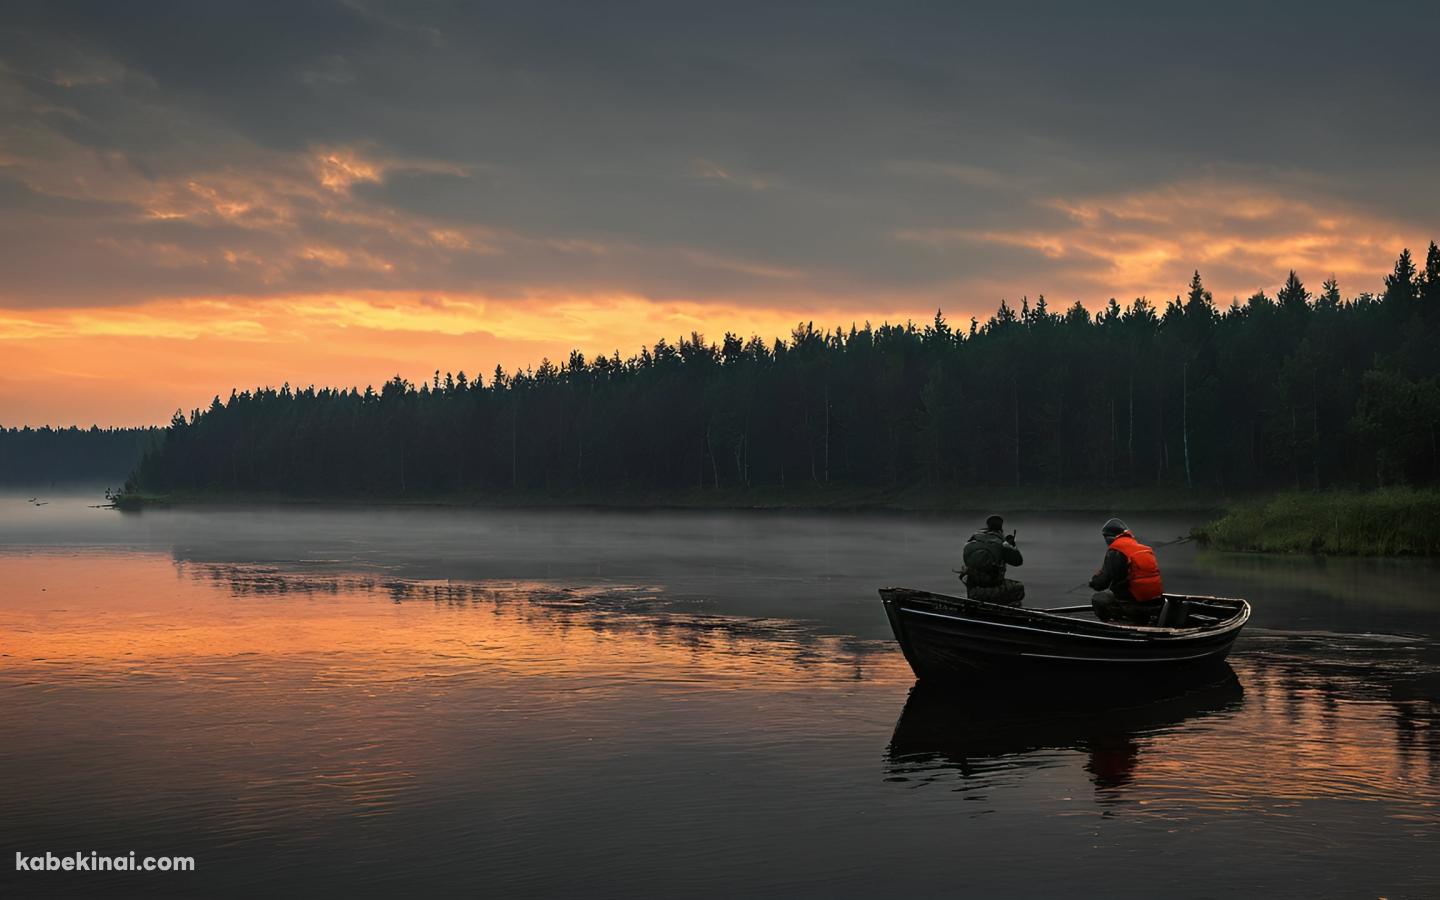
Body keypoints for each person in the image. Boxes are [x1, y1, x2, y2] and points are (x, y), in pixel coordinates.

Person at [1089, 517, 1165, 623]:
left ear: (1109, 537)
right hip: (1156, 602)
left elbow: (1104, 582)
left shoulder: (1116, 550)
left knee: (1098, 599)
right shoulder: (1145, 549)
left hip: (1135, 604)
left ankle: (1115, 625)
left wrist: (1093, 582)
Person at [960, 514, 1024, 605]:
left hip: (972, 591)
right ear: (1000, 528)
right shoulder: (1002, 543)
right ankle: (1005, 610)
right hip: (989, 592)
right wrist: (1012, 547)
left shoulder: (973, 539)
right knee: (1019, 587)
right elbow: (1018, 561)